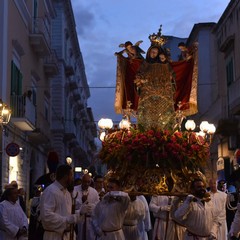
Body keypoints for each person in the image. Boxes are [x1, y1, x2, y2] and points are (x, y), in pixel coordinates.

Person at [134, 44, 176, 130]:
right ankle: (144, 132)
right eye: (152, 52)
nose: (154, 54)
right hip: (147, 94)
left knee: (165, 115)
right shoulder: (145, 64)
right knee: (145, 114)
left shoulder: (165, 64)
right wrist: (140, 80)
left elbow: (172, 76)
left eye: (156, 52)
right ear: (149, 52)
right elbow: (139, 75)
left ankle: (167, 132)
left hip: (163, 94)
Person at [39, 164, 81, 240]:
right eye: (71, 175)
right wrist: (66, 220)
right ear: (65, 176)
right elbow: (46, 216)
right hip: (54, 236)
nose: (72, 179)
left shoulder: (67, 193)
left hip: (68, 235)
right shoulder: (51, 191)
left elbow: (68, 214)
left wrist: (80, 213)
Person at [114, 40, 145, 114]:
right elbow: (120, 53)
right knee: (130, 80)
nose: (130, 48)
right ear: (126, 47)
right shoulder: (126, 50)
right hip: (131, 64)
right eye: (128, 47)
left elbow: (142, 53)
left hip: (138, 62)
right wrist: (118, 54)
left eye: (130, 47)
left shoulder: (135, 48)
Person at [74, 174, 99, 240]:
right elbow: (72, 205)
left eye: (88, 182)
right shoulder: (75, 190)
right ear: (82, 181)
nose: (87, 184)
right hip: (79, 220)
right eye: (85, 181)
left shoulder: (94, 192)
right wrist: (81, 204)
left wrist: (91, 207)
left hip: (90, 221)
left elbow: (98, 207)